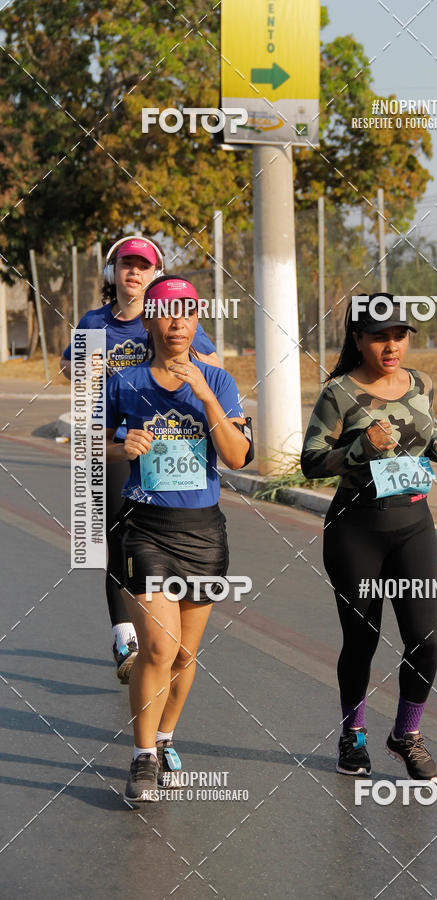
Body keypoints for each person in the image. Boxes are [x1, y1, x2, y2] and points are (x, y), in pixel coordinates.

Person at [104, 275, 251, 802]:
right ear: (149, 321)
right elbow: (95, 442)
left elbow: (236, 457)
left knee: (186, 656)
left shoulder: (222, 381)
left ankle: (165, 737)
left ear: (196, 322)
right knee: (159, 647)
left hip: (204, 534)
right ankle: (142, 759)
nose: (176, 322)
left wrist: (207, 393)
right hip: (145, 530)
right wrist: (122, 448)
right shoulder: (126, 382)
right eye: (166, 312)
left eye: (186, 312)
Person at [301, 295, 437, 781]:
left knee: (424, 641)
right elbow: (310, 463)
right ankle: (354, 735)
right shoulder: (339, 393)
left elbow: (421, 435)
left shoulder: (421, 383)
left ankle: (406, 734)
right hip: (357, 529)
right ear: (358, 340)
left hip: (413, 524)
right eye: (379, 336)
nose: (391, 346)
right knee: (362, 639)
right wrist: (360, 447)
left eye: (399, 335)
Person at [61, 235, 221, 683]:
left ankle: (157, 632)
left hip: (169, 444)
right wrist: (91, 372)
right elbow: (72, 375)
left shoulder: (168, 319)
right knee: (114, 539)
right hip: (116, 445)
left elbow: (209, 362)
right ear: (113, 273)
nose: (134, 272)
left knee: (150, 542)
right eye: (126, 265)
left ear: (156, 274)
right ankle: (125, 637)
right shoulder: (95, 322)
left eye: (143, 266)